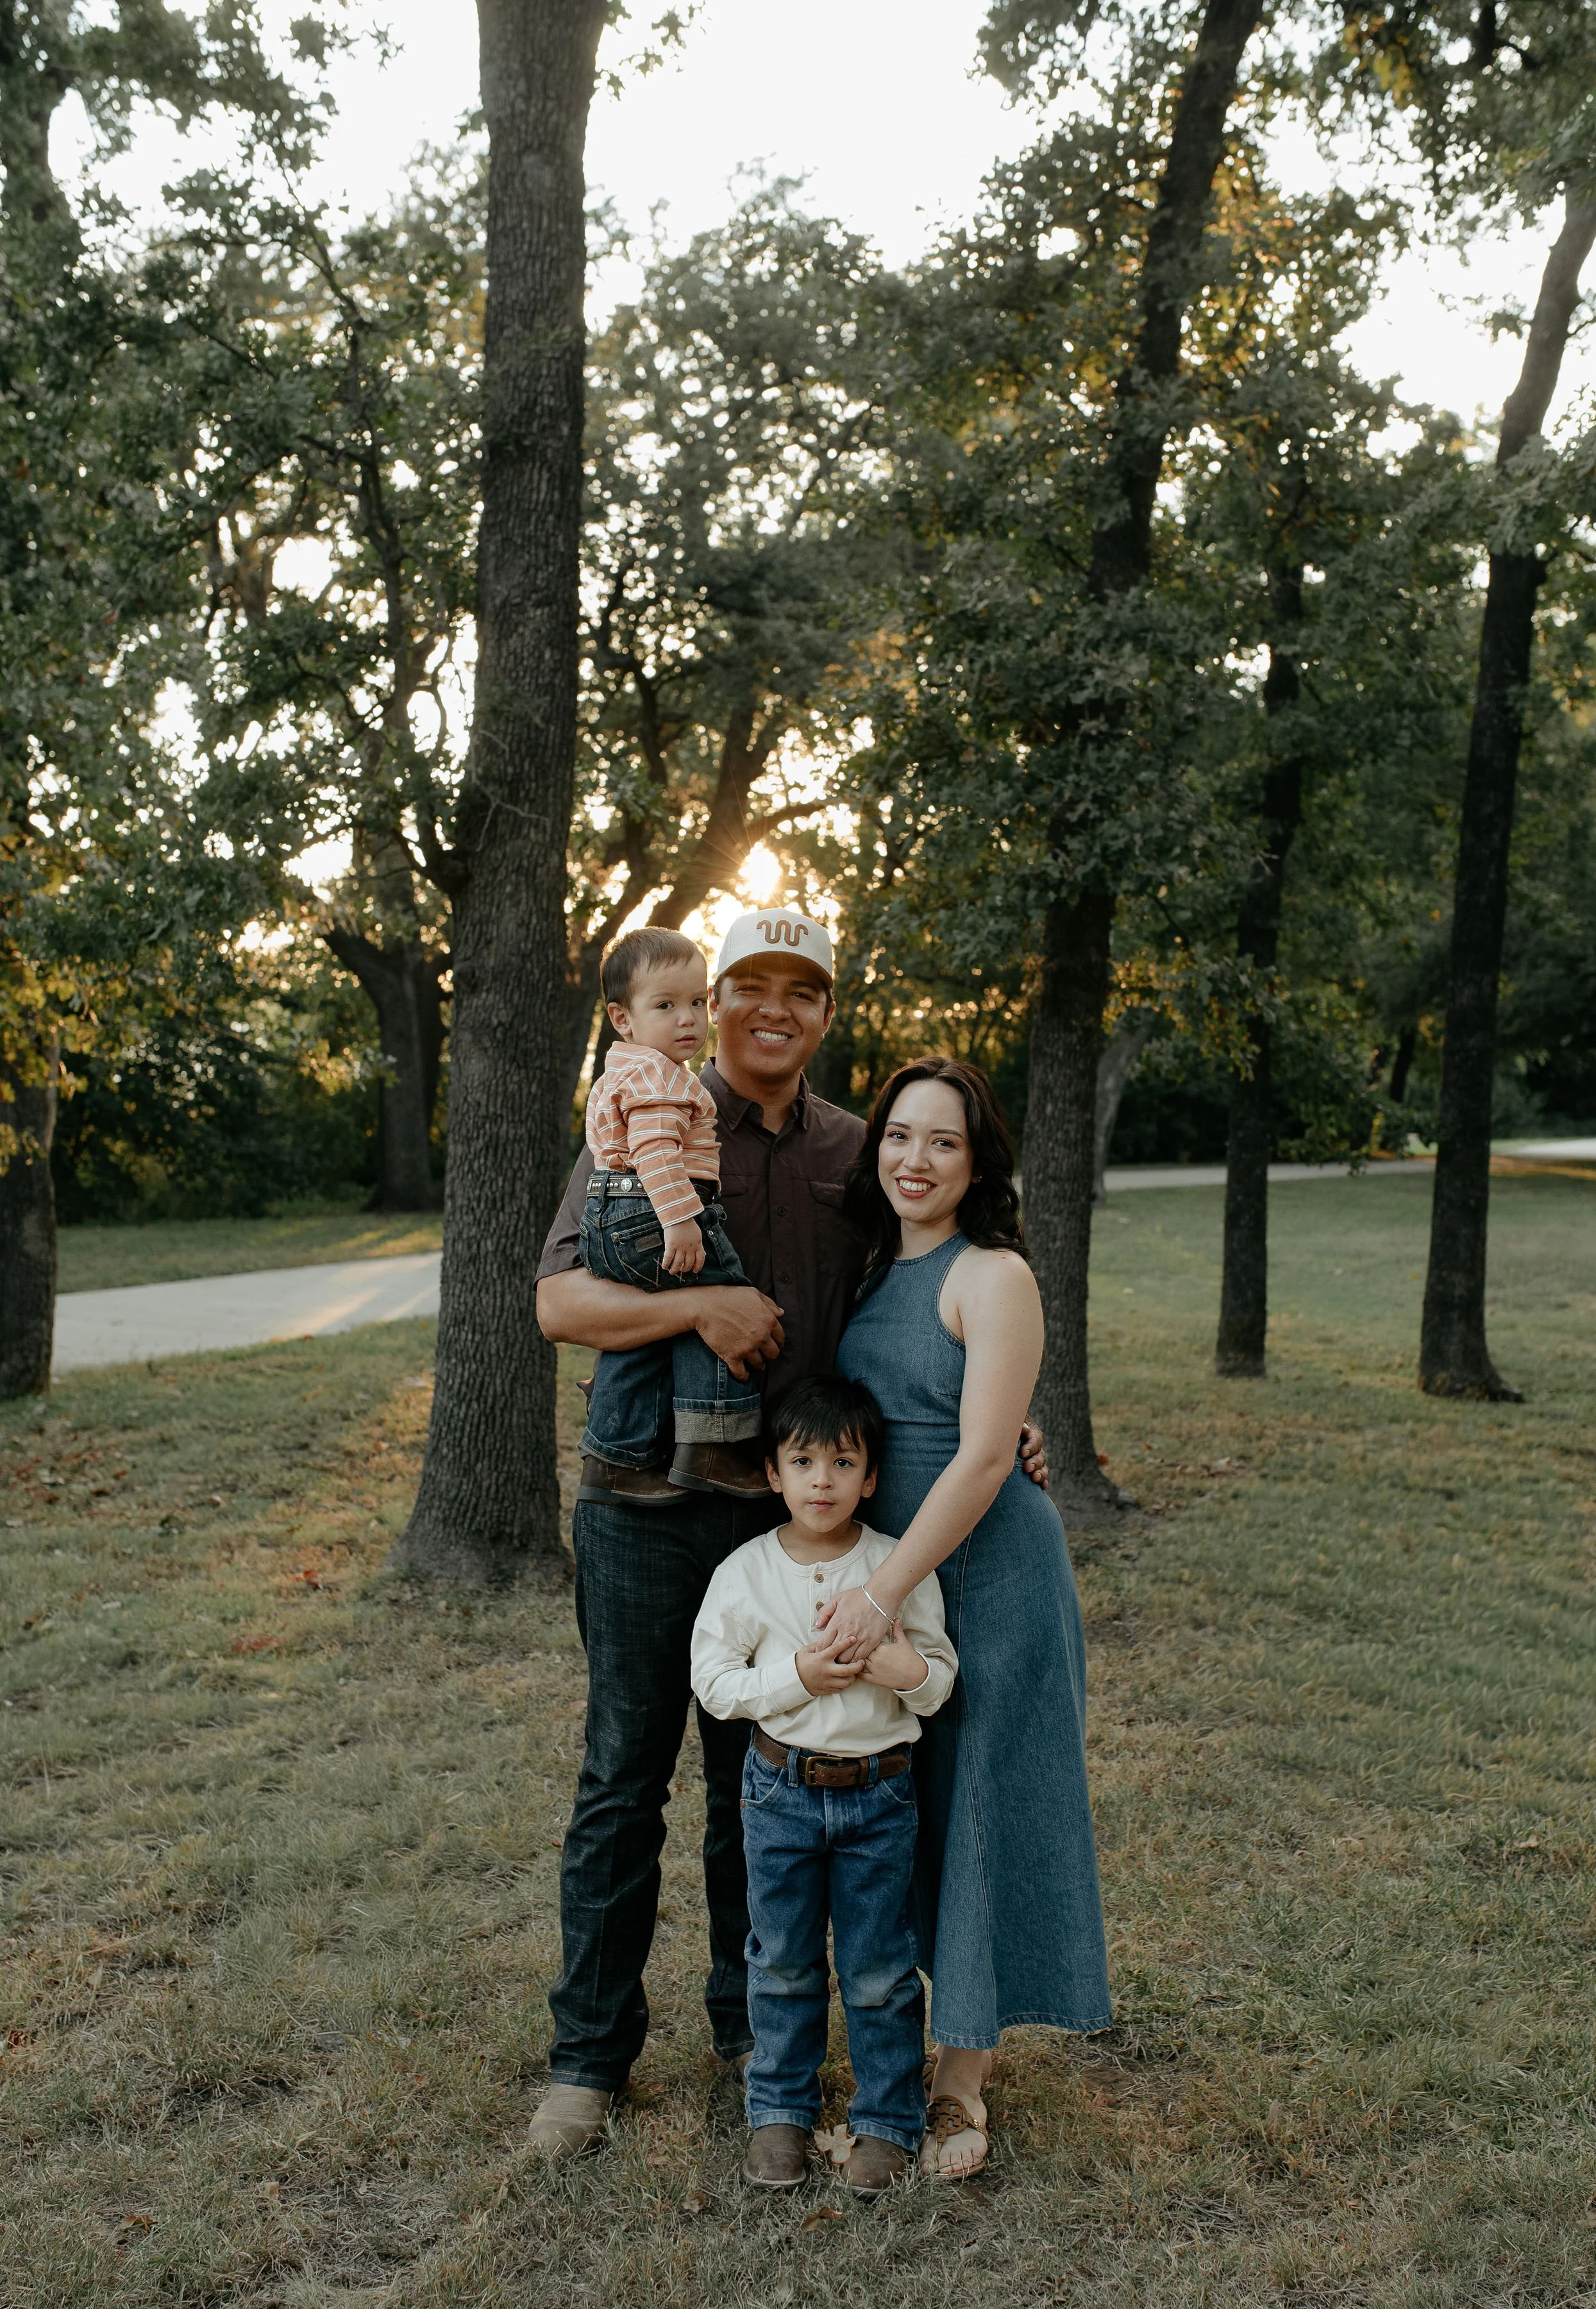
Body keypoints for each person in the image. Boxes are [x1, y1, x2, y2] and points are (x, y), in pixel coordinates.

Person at [530, 914, 1049, 2159]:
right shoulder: (642, 1107)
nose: (773, 1009)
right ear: (707, 1007)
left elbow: (917, 1299)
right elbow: (557, 1302)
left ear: (825, 1013)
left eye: (800, 993)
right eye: (746, 987)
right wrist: (701, 1302)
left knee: (752, 1786)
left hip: (788, 1522)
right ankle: (585, 2067)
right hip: (642, 1503)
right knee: (622, 1781)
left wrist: (1000, 1421)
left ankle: (749, 2045)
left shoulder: (851, 1152)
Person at [828, 1055, 1111, 2181]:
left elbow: (988, 1451)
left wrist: (880, 1590)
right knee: (904, 1810)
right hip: (892, 1579)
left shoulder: (991, 1275)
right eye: (899, 1135)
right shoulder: (862, 1268)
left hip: (985, 1582)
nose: (914, 1158)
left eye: (942, 1141)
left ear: (976, 1159)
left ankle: (957, 2092)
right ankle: (893, 2056)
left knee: (980, 1808)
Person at [691, 1375, 957, 2197]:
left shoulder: (893, 1565)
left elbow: (939, 1677)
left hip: (880, 1795)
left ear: (869, 1477)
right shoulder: (744, 1573)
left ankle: (885, 2121)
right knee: (782, 1959)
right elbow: (714, 1684)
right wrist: (798, 1676)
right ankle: (779, 2110)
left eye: (841, 1463)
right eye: (801, 1462)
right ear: (772, 1473)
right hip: (780, 1792)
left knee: (879, 1966)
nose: (820, 1481)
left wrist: (901, 1666)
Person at [576, 924, 765, 1503]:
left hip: (614, 1214)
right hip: (652, 1211)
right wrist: (680, 1221)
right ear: (622, 1017)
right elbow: (656, 1153)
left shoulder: (626, 1070)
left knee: (648, 1329)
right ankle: (712, 1447)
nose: (687, 1019)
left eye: (694, 1002)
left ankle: (614, 1455)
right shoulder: (659, 1077)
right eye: (665, 1005)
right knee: (727, 1300)